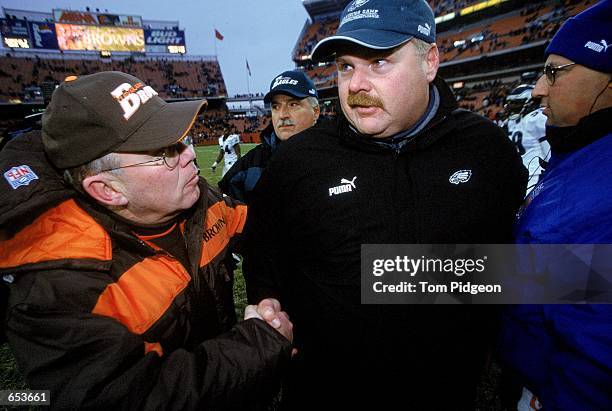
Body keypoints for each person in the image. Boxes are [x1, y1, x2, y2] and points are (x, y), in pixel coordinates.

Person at [243, 0, 527, 409]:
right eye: (345, 67)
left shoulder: (487, 150)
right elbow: (263, 254)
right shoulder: (297, 161)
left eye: (378, 63)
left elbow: (517, 267)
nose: (356, 85)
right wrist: (267, 298)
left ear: (429, 61)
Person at [0, 71, 294, 410]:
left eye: (182, 140)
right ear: (107, 190)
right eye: (165, 151)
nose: (188, 155)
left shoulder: (202, 201)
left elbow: (260, 229)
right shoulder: (59, 288)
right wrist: (257, 344)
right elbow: (129, 395)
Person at [499, 1, 612, 409]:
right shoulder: (579, 149)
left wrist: (401, 275)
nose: (537, 89)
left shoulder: (601, 187)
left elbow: (597, 351)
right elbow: (545, 273)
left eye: (554, 72)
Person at [218, 70, 320, 203]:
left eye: (293, 104)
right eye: (276, 106)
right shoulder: (251, 165)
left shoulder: (339, 153)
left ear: (316, 112)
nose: (282, 115)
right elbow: (218, 205)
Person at [505, 84, 551, 195]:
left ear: (531, 101)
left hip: (537, 176)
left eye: (516, 103)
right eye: (511, 104)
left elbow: (549, 153)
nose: (512, 107)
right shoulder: (511, 122)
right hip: (519, 177)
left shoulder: (537, 117)